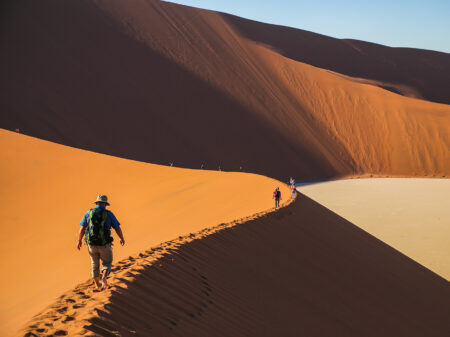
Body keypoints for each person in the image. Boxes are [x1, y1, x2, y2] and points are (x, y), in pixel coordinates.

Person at [77, 195, 125, 290]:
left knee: (94, 264)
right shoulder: (109, 214)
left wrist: (79, 240)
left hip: (91, 245)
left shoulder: (88, 213)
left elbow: (82, 229)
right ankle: (104, 277)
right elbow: (117, 227)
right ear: (105, 204)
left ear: (96, 203)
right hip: (104, 245)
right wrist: (121, 238)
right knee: (107, 262)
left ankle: (97, 285)